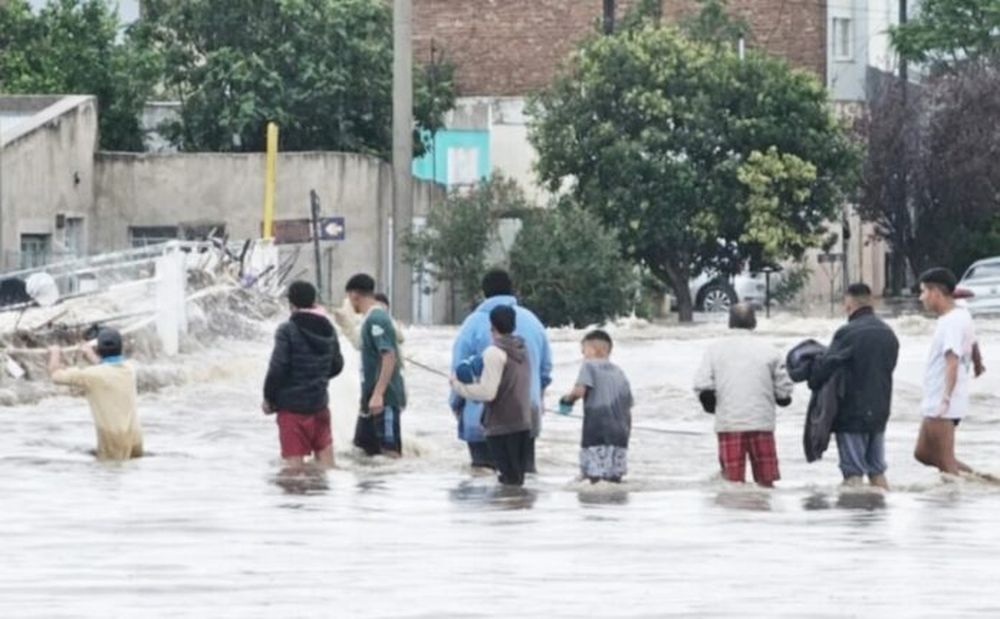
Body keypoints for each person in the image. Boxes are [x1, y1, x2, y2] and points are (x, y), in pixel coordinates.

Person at [450, 269, 552, 473]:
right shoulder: (533, 321)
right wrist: (538, 400)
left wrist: (456, 402)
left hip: (483, 420)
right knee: (523, 480)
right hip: (525, 416)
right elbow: (545, 371)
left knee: (484, 483)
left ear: (484, 292)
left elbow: (460, 370)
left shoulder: (472, 324)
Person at [808, 283, 899, 489]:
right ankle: (881, 515)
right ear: (871, 301)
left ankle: (856, 516)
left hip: (852, 414)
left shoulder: (847, 333)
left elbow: (826, 367)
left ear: (848, 305)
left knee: (853, 475)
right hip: (880, 412)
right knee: (877, 471)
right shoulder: (888, 333)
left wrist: (812, 377)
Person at [693, 304, 793, 488]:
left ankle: (736, 516)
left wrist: (711, 405)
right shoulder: (769, 350)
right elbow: (784, 390)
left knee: (732, 483)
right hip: (761, 423)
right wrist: (783, 398)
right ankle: (764, 513)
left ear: (730, 322)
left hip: (730, 423)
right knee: (766, 482)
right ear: (754, 322)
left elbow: (702, 385)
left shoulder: (715, 350)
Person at [263, 281, 344, 469]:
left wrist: (269, 398)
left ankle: (300, 501)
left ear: (291, 304)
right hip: (320, 405)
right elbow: (337, 365)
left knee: (294, 474)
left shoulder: (287, 330)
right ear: (313, 301)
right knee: (327, 467)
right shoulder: (328, 328)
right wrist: (318, 376)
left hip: (292, 409)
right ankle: (328, 500)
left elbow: (278, 368)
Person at [450, 306, 533, 486]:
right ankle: (522, 512)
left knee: (506, 483)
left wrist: (458, 386)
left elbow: (488, 392)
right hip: (523, 422)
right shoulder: (523, 349)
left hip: (501, 426)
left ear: (492, 326)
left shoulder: (493, 353)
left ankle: (505, 514)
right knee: (517, 481)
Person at [913, 268, 979, 476]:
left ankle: (952, 502)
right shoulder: (960, 314)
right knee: (923, 453)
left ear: (936, 293)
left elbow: (952, 361)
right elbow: (973, 341)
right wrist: (979, 362)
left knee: (945, 461)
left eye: (923, 291)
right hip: (940, 399)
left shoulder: (951, 322)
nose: (921, 297)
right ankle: (984, 481)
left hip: (942, 403)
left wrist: (945, 399)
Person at [48, 327, 143, 461]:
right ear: (121, 348)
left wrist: (55, 352)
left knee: (108, 476)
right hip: (136, 442)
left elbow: (55, 375)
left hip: (112, 444)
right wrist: (89, 353)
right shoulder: (129, 369)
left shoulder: (92, 375)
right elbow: (105, 367)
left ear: (99, 349)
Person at [559, 330, 633, 483]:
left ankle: (593, 505)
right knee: (613, 479)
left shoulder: (589, 366)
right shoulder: (620, 373)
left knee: (593, 479)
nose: (583, 354)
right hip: (620, 434)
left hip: (597, 430)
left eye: (584, 350)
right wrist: (627, 433)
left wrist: (567, 400)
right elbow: (628, 406)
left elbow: (579, 391)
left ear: (595, 349)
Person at [346, 274, 407, 457]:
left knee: (389, 454)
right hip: (370, 397)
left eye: (349, 298)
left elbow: (388, 356)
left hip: (384, 398)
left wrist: (378, 394)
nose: (349, 303)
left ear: (355, 295)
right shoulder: (369, 319)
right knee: (363, 452)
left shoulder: (377, 319)